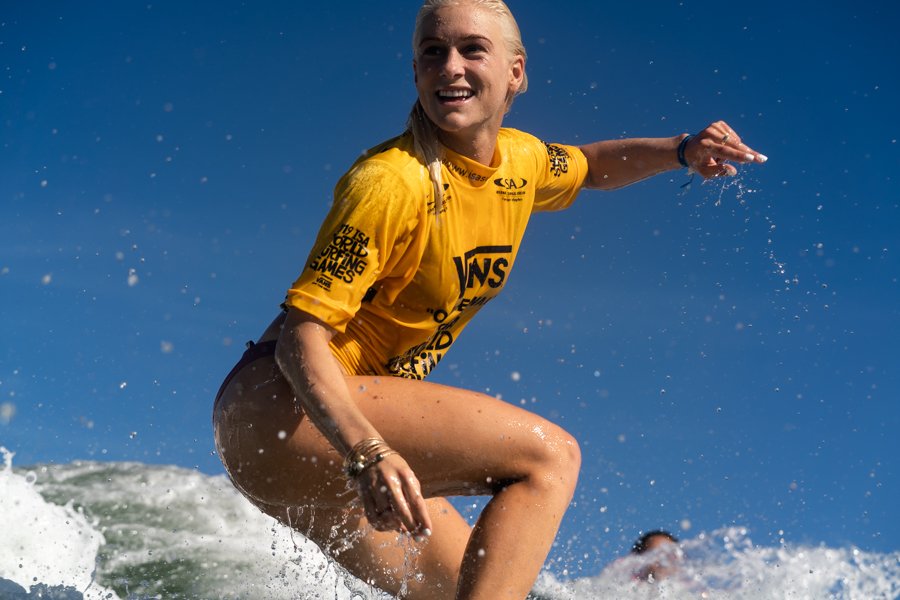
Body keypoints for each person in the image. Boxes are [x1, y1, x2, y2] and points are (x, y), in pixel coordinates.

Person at [212, 1, 766, 598]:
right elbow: (302, 338)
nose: (450, 66)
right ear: (417, 74)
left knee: (481, 585)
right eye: (432, 53)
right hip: (281, 410)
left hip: (327, 429)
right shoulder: (389, 183)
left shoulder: (520, 162)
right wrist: (366, 451)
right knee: (548, 459)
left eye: (473, 49)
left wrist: (682, 149)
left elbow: (589, 167)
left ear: (516, 73)